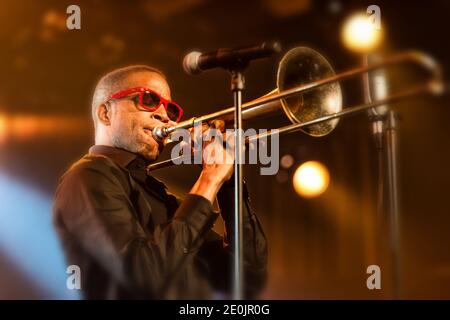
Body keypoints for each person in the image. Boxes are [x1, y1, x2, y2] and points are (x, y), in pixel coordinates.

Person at [52, 65, 267, 299]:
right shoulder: (88, 175)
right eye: (149, 99)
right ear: (105, 113)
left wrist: (228, 182)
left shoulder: (161, 196)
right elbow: (143, 277)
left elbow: (246, 279)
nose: (165, 116)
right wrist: (210, 178)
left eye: (171, 110)